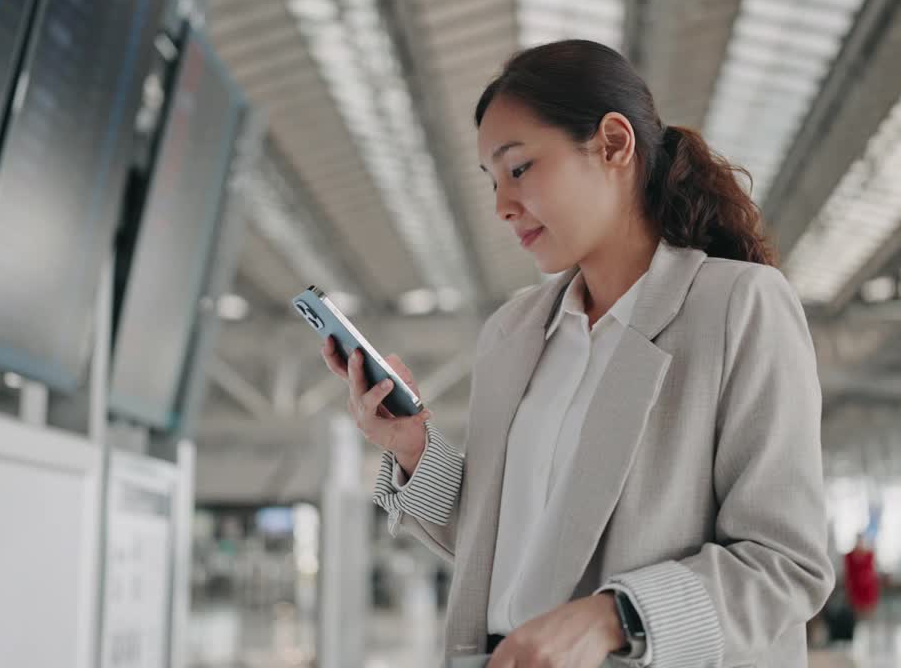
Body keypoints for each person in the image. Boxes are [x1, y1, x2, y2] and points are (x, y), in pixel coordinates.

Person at [320, 39, 833, 667]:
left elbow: (785, 562)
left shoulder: (736, 307)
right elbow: (503, 543)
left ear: (614, 144)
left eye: (519, 168)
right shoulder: (513, 334)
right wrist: (410, 446)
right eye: (492, 181)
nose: (503, 206)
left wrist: (612, 617)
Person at [843, 534, 880, 620]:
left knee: (869, 615)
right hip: (855, 589)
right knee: (856, 616)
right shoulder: (849, 556)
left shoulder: (870, 555)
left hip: (868, 589)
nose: (860, 543)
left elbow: (872, 571)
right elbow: (848, 573)